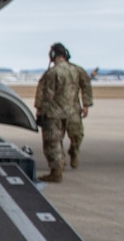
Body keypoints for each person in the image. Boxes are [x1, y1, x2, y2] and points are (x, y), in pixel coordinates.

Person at [33, 41, 93, 182]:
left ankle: (57, 170)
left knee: (53, 142)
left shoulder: (52, 73)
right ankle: (68, 157)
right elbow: (87, 85)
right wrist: (86, 104)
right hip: (72, 111)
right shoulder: (76, 70)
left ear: (53, 55)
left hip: (54, 113)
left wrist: (40, 112)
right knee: (76, 135)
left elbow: (45, 95)